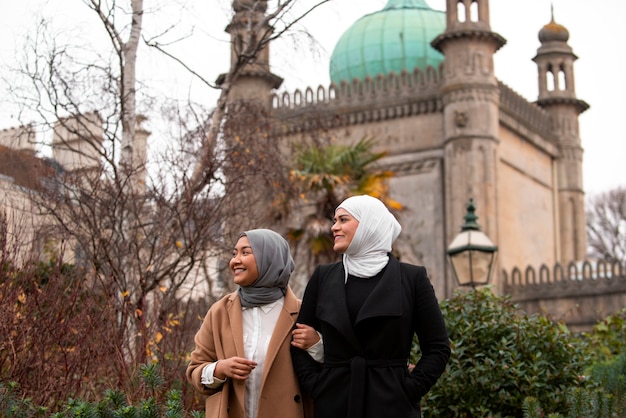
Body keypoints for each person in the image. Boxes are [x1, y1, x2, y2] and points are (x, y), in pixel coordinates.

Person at [291, 195, 451, 418]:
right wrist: (318, 387)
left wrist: (409, 390)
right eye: (334, 220)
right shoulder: (323, 277)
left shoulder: (412, 279)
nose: (334, 227)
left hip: (393, 407)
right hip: (335, 404)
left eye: (343, 220)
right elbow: (297, 342)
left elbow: (437, 347)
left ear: (369, 224)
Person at [187, 228, 318, 418]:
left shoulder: (303, 313)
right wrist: (220, 368)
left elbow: (329, 373)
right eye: (234, 253)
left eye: (245, 252)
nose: (235, 260)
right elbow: (194, 372)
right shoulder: (220, 312)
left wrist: (317, 344)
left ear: (270, 259)